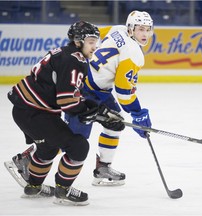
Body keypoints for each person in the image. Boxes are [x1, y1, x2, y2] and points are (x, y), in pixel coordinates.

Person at [5, 20, 124, 206]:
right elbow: (68, 103)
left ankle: (33, 187)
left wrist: (97, 110)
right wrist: (99, 115)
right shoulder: (74, 60)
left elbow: (71, 96)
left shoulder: (66, 53)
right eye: (91, 41)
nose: (96, 46)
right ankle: (63, 190)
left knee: (48, 148)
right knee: (78, 147)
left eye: (96, 41)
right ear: (78, 41)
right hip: (34, 112)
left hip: (28, 109)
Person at [66, 10, 154, 186]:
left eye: (148, 29)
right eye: (140, 29)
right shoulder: (134, 54)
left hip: (96, 88)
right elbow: (123, 91)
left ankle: (103, 168)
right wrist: (138, 114)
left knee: (115, 122)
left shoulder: (117, 29)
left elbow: (94, 38)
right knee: (71, 139)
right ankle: (28, 159)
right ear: (131, 28)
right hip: (85, 91)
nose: (145, 34)